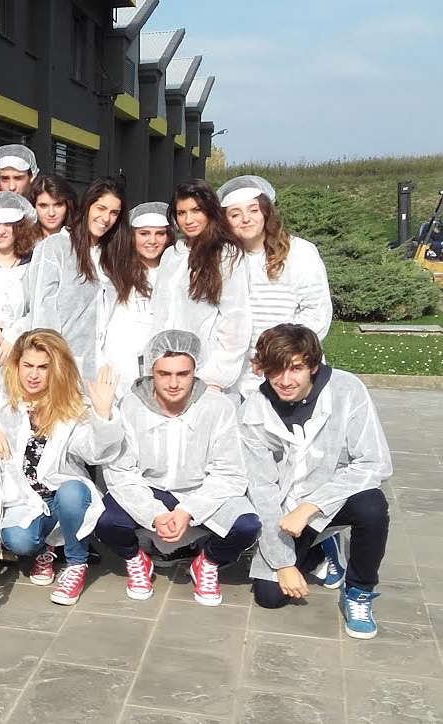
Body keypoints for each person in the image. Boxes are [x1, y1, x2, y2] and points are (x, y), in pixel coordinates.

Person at [241, 324, 392, 639]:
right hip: (286, 510)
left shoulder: (347, 390)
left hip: (335, 499)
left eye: (295, 368)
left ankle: (359, 590)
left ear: (312, 364)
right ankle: (321, 549)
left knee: (372, 506)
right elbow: (262, 490)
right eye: (275, 370)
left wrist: (311, 506)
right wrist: (283, 564)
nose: (285, 381)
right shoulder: (254, 410)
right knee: (270, 597)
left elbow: (373, 462)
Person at [98, 330, 261, 606]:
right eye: (164, 374)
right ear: (151, 371)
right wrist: (154, 513)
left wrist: (189, 510)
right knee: (104, 521)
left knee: (247, 525)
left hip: (201, 490)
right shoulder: (131, 406)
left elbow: (230, 472)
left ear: (195, 371)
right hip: (149, 489)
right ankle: (136, 559)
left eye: (182, 374)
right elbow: (121, 472)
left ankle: (207, 561)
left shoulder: (218, 407)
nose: (173, 383)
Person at [0, 330, 122, 605]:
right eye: (28, 365)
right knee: (17, 540)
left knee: (72, 492)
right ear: (16, 365)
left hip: (62, 495)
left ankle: (76, 563)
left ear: (56, 369)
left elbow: (94, 452)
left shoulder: (72, 407)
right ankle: (45, 547)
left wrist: (103, 415)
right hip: (23, 499)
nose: (33, 375)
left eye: (43, 367)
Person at [217, 175, 332, 399]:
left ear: (266, 212)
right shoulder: (223, 258)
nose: (246, 219)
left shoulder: (299, 252)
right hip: (238, 374)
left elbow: (316, 312)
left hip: (288, 370)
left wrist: (276, 353)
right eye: (235, 214)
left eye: (253, 210)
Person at [151, 179, 252, 393]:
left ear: (210, 211)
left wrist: (217, 375)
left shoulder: (226, 255)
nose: (188, 220)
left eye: (196, 210)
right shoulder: (172, 254)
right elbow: (159, 313)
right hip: (167, 368)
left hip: (205, 371)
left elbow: (235, 319)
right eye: (181, 213)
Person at [28, 177, 127, 379]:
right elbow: (42, 311)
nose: (106, 218)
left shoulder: (113, 254)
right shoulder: (56, 247)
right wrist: (51, 361)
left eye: (114, 213)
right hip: (64, 365)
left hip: (105, 368)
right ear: (88, 205)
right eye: (101, 208)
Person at [96, 201, 174, 398]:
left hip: (163, 365)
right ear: (132, 235)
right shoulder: (115, 272)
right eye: (144, 233)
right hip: (119, 365)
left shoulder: (175, 272)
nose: (152, 241)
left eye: (160, 234)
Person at [0, 191, 44, 386]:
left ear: (19, 228)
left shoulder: (33, 266)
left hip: (21, 356)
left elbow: (38, 309)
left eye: (8, 225)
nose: (1, 231)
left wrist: (15, 336)